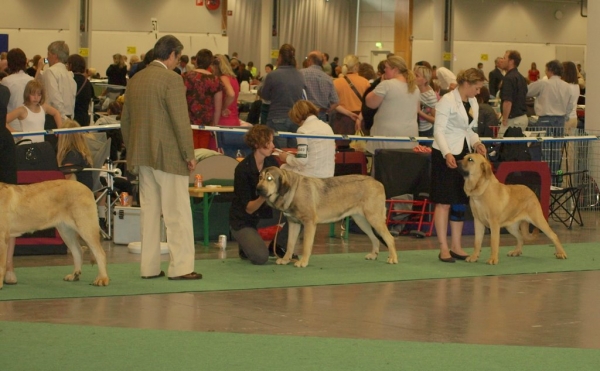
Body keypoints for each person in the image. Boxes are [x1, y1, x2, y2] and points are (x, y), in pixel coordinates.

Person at [121, 35, 202, 280]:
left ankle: (149, 268)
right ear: (172, 55)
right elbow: (180, 121)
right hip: (168, 156)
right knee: (177, 213)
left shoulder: (135, 79)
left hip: (142, 155)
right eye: (178, 58)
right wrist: (189, 154)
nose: (178, 63)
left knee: (149, 212)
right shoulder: (172, 79)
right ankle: (182, 268)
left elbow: (125, 121)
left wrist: (133, 149)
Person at [431, 68, 487, 263]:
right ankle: (443, 247)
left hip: (463, 155)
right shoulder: (446, 101)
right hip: (444, 154)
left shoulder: (472, 102)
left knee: (460, 202)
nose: (479, 92)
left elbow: (470, 130)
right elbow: (438, 131)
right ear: (467, 84)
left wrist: (477, 143)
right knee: (444, 201)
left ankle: (456, 245)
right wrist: (446, 153)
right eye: (477, 88)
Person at [229, 125, 288, 265]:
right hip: (244, 219)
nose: (273, 146)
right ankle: (245, 243)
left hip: (264, 213)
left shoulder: (272, 163)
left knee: (300, 214)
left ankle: (278, 246)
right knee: (261, 258)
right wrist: (264, 195)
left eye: (272, 141)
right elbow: (249, 208)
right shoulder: (243, 169)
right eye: (269, 142)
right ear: (257, 144)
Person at [364, 55, 420, 153]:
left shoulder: (386, 85)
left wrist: (380, 84)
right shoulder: (415, 87)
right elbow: (417, 109)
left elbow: (370, 103)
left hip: (388, 136)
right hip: (409, 135)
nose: (384, 70)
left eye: (386, 67)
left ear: (395, 69)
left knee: (383, 166)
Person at [261, 43, 305, 149]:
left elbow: (265, 96)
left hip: (277, 117)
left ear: (280, 57)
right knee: (293, 152)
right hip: (295, 118)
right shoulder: (300, 75)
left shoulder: (273, 75)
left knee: (278, 153)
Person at [277, 100, 335, 178]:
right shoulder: (327, 127)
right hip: (329, 174)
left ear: (297, 116)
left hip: (311, 176)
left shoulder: (303, 130)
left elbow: (302, 160)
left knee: (283, 168)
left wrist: (286, 158)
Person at [183, 49, 223, 149]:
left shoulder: (186, 76)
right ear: (210, 63)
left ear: (196, 60)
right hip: (206, 123)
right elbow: (218, 107)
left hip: (188, 122)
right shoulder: (215, 80)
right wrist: (215, 125)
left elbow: (181, 100)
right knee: (203, 153)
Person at [1, 84, 18, 285]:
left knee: (9, 212)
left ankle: (9, 265)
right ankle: (8, 266)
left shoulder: (5, 90)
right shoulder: (5, 90)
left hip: (4, 147)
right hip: (6, 142)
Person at [332, 54, 370, 146]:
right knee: (360, 149)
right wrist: (359, 118)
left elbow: (334, 104)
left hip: (342, 120)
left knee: (342, 151)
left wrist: (348, 113)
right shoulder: (365, 82)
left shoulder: (336, 82)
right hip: (361, 120)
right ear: (357, 66)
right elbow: (368, 104)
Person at [39, 40, 77, 120]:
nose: (47, 58)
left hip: (55, 117)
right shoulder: (69, 74)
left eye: (48, 54)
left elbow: (54, 99)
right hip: (68, 115)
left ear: (55, 56)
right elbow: (72, 99)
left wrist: (63, 119)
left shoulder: (50, 71)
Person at [299, 51, 339, 122]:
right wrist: (325, 111)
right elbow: (336, 102)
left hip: (305, 115)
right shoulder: (328, 78)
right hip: (322, 114)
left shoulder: (301, 74)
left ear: (310, 61)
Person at [56, 119, 94, 191]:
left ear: (64, 138)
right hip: (85, 190)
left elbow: (64, 177)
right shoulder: (80, 152)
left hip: (78, 193)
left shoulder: (72, 155)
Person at [2, 48, 34, 132]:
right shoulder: (32, 80)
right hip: (30, 124)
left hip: (11, 125)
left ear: (9, 63)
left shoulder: (6, 81)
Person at [499, 50, 528, 138]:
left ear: (511, 61)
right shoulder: (521, 78)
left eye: (504, 58)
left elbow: (508, 101)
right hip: (522, 118)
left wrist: (504, 119)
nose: (502, 60)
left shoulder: (508, 79)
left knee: (501, 144)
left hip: (512, 120)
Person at [67, 54, 95, 127]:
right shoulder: (87, 82)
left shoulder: (68, 80)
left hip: (72, 120)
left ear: (70, 65)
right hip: (84, 119)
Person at [212, 54, 239, 127]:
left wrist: (223, 108)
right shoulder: (233, 78)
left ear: (215, 67)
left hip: (224, 119)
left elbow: (231, 94)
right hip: (234, 118)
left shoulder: (223, 78)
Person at [414, 64, 438, 140]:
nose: (413, 77)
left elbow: (436, 119)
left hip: (425, 131)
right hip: (415, 128)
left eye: (417, 75)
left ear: (425, 80)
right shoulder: (414, 90)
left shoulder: (430, 96)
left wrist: (419, 112)